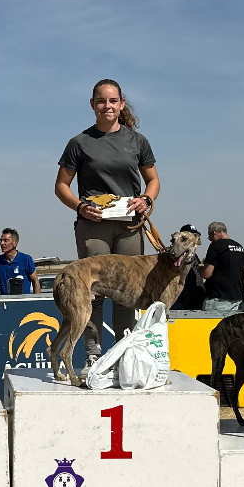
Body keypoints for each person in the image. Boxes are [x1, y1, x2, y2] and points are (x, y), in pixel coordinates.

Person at [54, 80, 160, 364]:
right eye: (102, 101)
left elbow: (153, 181)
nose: (107, 106)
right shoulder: (79, 143)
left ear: (121, 104)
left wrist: (146, 200)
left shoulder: (138, 141)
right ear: (93, 105)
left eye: (113, 101)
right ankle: (93, 355)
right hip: (94, 225)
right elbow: (61, 186)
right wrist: (80, 206)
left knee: (130, 292)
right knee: (93, 292)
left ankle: (125, 353)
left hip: (129, 225)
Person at [201, 222, 244, 314]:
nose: (210, 240)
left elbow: (206, 274)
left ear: (214, 232)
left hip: (218, 299)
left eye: (209, 237)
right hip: (237, 300)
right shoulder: (239, 247)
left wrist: (200, 270)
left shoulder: (215, 246)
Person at [0, 228, 37, 295]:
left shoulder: (26, 259)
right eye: (1, 240)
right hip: (5, 303)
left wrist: (38, 301)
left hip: (23, 303)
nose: (2, 243)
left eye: (6, 240)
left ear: (15, 244)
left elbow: (35, 281)